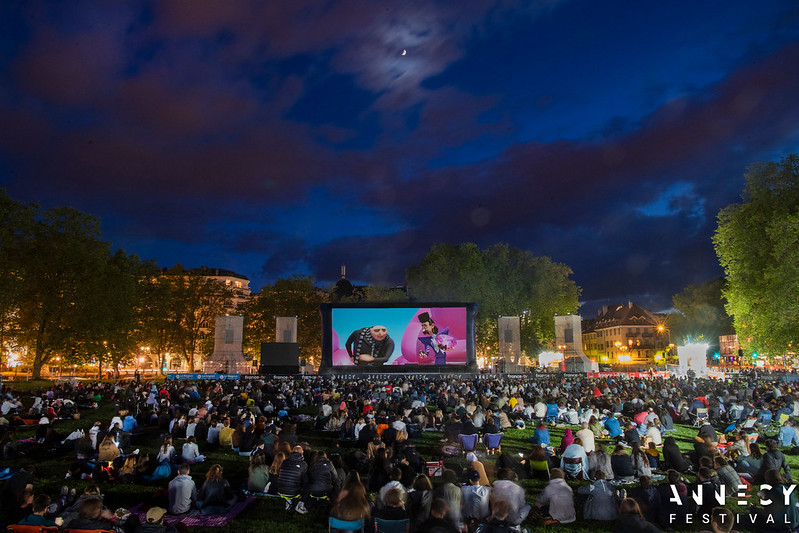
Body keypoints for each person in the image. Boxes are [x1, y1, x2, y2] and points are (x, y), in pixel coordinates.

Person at [276, 445, 308, 513]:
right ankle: (299, 504)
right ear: (302, 452)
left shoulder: (285, 461)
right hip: (293, 492)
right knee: (306, 485)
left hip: (280, 490)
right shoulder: (303, 464)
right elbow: (305, 481)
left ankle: (288, 502)